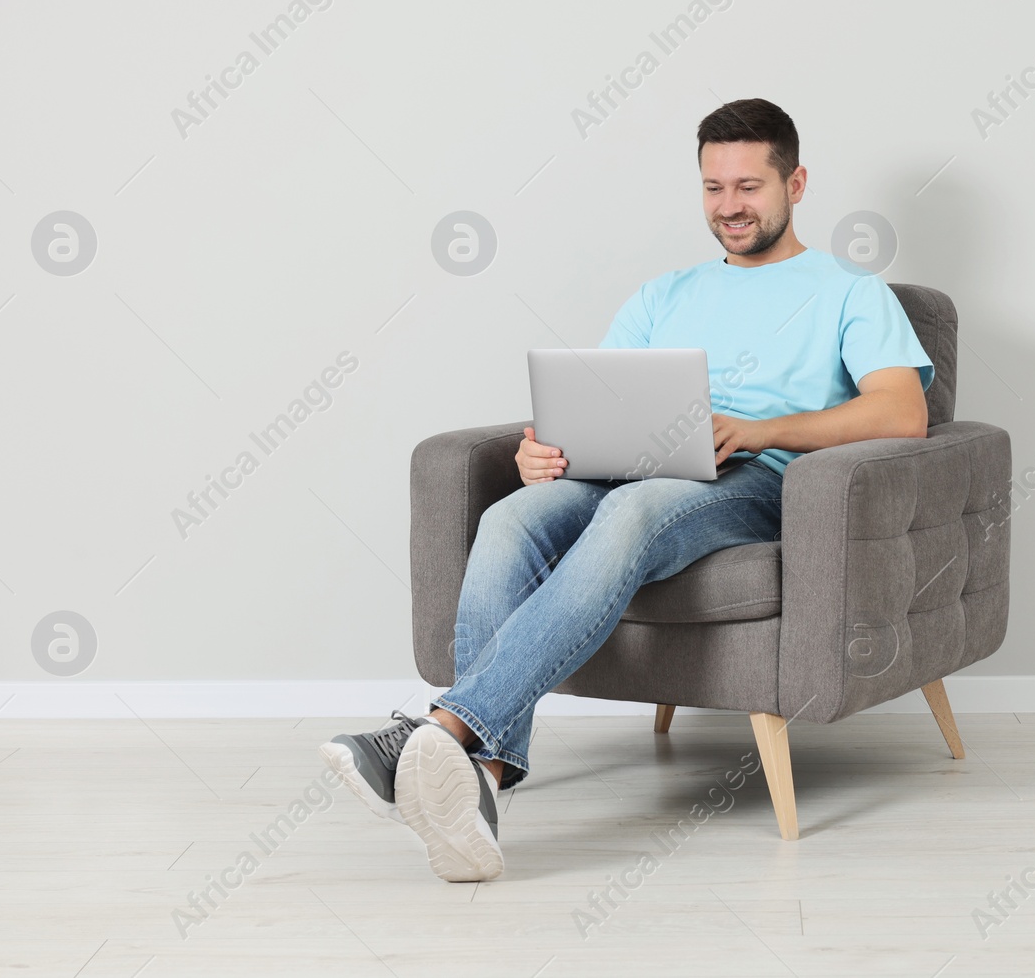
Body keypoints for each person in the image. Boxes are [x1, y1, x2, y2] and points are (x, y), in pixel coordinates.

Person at [320, 98, 934, 881]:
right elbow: (599, 401)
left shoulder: (850, 288)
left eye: (748, 186)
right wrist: (547, 450)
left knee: (631, 511)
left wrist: (762, 430)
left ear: (797, 182)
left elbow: (902, 412)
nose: (729, 206)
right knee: (511, 518)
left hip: (755, 483)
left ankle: (438, 729)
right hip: (637, 465)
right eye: (713, 188)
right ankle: (482, 780)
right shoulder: (664, 295)